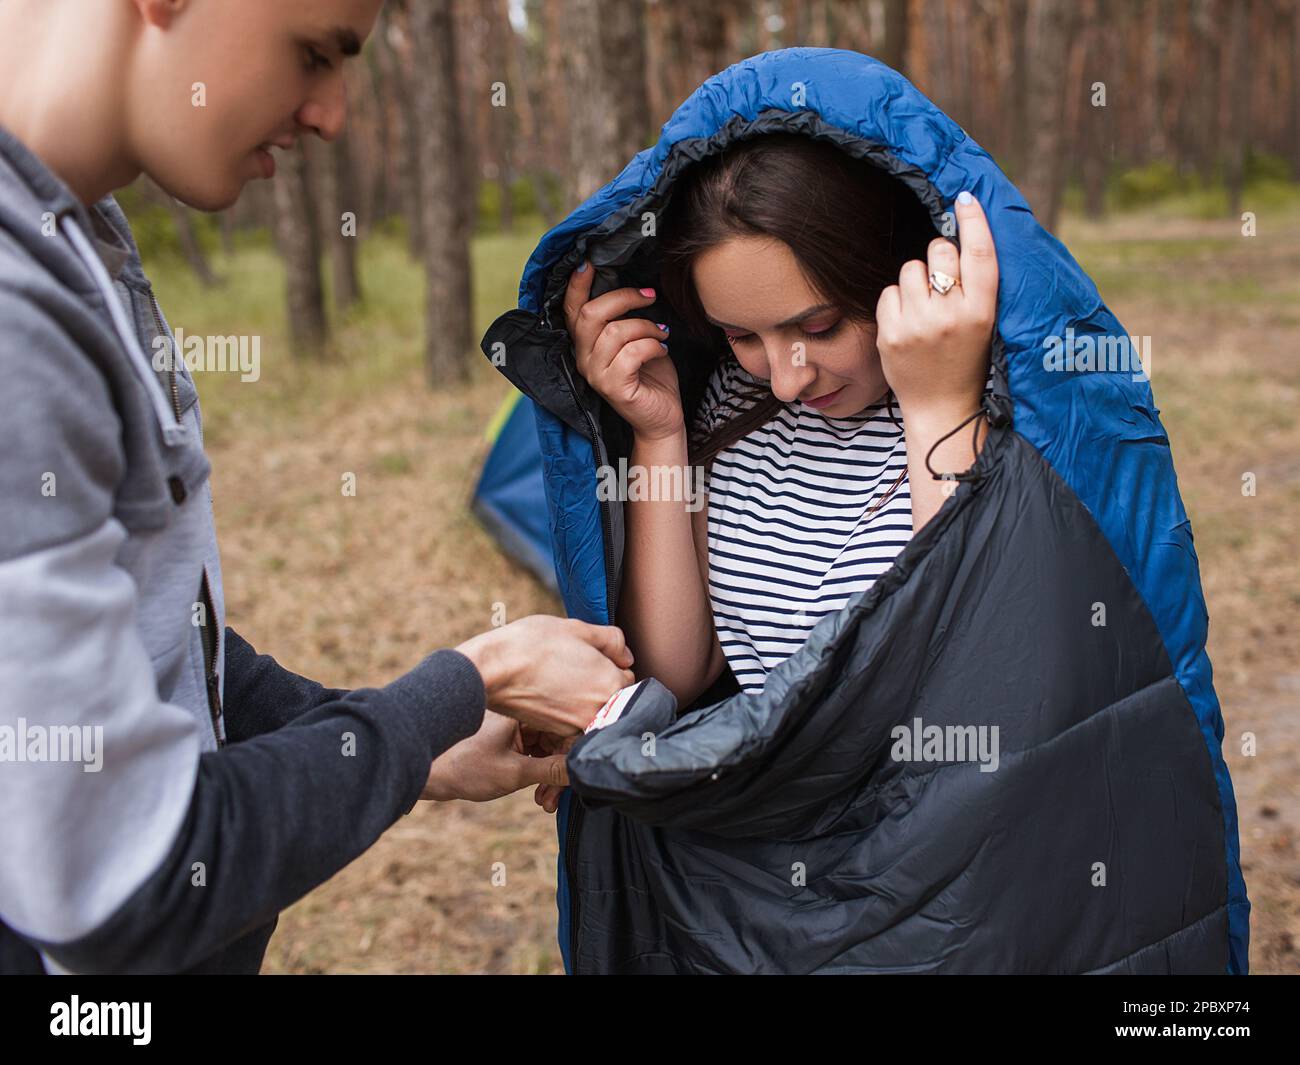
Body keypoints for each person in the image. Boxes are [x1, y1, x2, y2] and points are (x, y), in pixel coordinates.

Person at [0, 0, 632, 976]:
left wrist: (414, 739)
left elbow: (159, 637)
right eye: (314, 52)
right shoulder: (16, 319)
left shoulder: (80, 240)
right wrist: (460, 688)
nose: (334, 113)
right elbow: (120, 883)